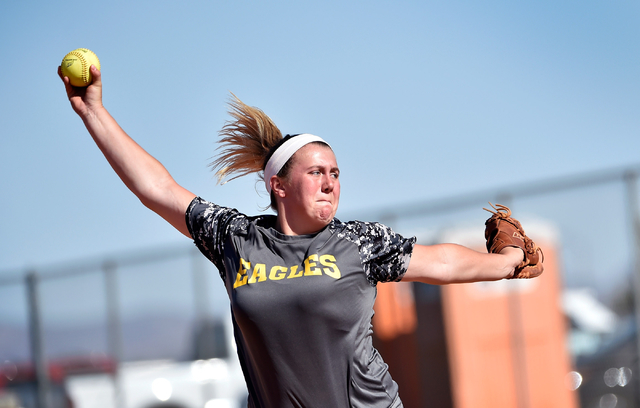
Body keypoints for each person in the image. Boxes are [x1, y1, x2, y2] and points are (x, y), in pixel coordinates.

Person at [58, 65, 527, 408]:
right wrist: (92, 111)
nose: (330, 182)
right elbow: (156, 189)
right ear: (278, 185)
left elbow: (440, 262)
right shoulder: (236, 239)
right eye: (316, 172)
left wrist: (506, 262)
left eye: (336, 172)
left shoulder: (358, 243)